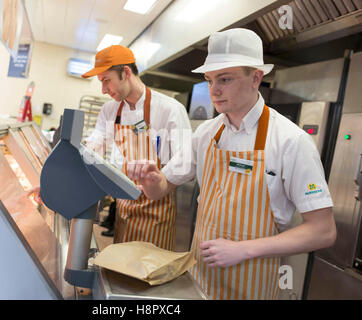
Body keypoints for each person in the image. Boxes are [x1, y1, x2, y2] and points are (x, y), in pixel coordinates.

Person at [126, 28, 336, 299]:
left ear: (256, 78)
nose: (214, 90)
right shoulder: (206, 133)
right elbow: (160, 190)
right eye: (210, 79)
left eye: (224, 79)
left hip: (253, 283)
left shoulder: (290, 141)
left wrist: (243, 249)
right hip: (198, 280)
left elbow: (323, 231)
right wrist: (152, 180)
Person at [82, 45, 191, 250]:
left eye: (107, 80)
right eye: (101, 82)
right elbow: (96, 143)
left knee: (149, 274)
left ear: (126, 72)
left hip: (157, 211)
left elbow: (184, 161)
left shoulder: (170, 109)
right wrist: (78, 157)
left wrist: (155, 182)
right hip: (123, 208)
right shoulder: (110, 110)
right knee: (121, 269)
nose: (104, 90)